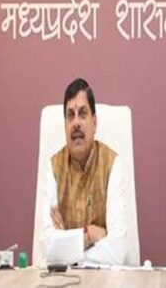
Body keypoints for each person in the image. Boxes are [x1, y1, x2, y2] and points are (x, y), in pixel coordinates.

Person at [40, 78, 128, 265]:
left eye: (82, 114)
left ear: (94, 123)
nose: (76, 123)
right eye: (70, 116)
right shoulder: (54, 167)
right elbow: (48, 248)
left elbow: (118, 250)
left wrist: (67, 248)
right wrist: (89, 235)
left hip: (103, 279)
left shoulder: (112, 163)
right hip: (63, 280)